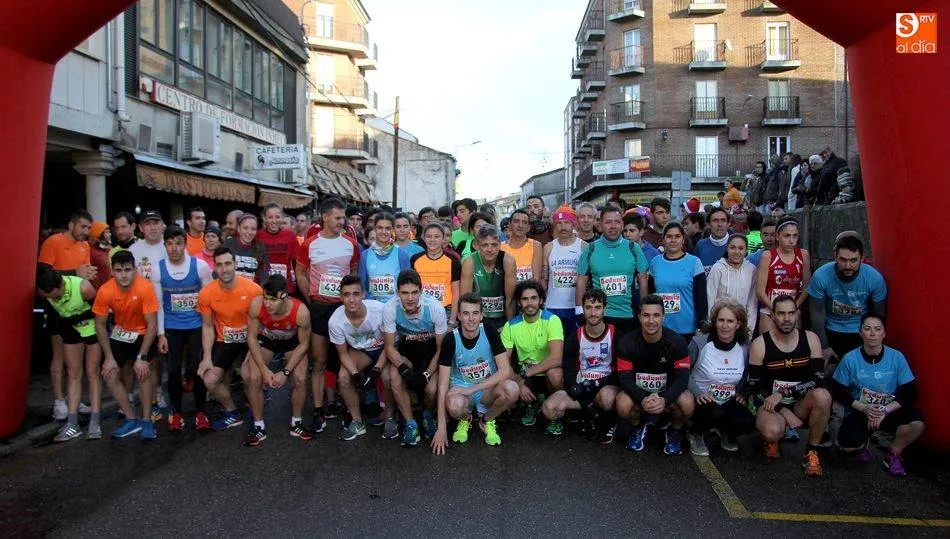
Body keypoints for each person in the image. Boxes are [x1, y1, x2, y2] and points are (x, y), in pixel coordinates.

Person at [743, 295, 831, 477]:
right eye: (781, 314)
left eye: (791, 313)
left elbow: (818, 379)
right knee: (771, 431)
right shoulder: (760, 344)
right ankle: (773, 438)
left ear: (798, 314)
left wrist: (784, 394)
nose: (787, 318)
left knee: (823, 396)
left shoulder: (811, 339)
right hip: (770, 404)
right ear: (772, 316)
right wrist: (783, 410)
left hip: (800, 403)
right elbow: (753, 388)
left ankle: (812, 452)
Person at [829, 313, 924, 476]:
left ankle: (893, 455)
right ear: (861, 334)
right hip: (860, 410)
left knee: (917, 423)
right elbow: (837, 390)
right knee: (848, 447)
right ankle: (862, 443)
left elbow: (910, 392)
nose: (872, 334)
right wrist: (864, 408)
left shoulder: (896, 357)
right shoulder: (850, 359)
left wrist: (884, 410)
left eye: (877, 329)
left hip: (888, 410)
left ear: (884, 334)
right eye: (867, 329)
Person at [296, 197, 360, 435]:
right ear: (324, 217)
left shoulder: (351, 244)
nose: (342, 222)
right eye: (337, 217)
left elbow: (353, 272)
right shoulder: (309, 244)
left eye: (343, 217)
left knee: (343, 360)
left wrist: (349, 297)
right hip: (320, 307)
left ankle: (344, 404)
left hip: (343, 309)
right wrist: (308, 296)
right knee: (320, 361)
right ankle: (319, 409)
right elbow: (300, 270)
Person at [431, 294, 519, 454]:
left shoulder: (490, 331)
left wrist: (471, 389)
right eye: (466, 313)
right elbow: (442, 384)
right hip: (462, 392)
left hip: (486, 391)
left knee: (512, 388)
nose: (471, 318)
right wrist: (441, 428)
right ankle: (466, 419)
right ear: (458, 316)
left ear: (482, 315)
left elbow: (505, 370)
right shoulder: (450, 340)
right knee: (454, 405)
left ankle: (487, 420)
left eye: (475, 313)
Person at [91, 250, 160, 440]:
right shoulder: (105, 290)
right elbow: (99, 324)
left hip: (144, 334)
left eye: (128, 270)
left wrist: (142, 357)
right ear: (112, 271)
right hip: (121, 333)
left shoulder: (145, 287)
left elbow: (152, 324)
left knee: (143, 372)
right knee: (110, 374)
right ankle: (131, 418)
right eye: (119, 270)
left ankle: (147, 421)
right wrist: (109, 358)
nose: (123, 275)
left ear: (135, 270)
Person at [151, 225, 213, 433]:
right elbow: (158, 305)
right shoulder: (157, 269)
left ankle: (201, 412)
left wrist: (209, 329)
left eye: (178, 243)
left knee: (198, 369)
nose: (174, 248)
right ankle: (176, 413)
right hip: (172, 327)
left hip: (196, 325)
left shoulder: (201, 267)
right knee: (174, 371)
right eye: (169, 244)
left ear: (185, 245)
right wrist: (160, 334)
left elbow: (209, 299)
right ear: (165, 245)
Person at [615, 294, 694, 455]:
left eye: (656, 315)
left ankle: (674, 430)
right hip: (640, 395)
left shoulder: (677, 342)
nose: (651, 321)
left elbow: (682, 379)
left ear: (663, 317)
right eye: (646, 315)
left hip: (666, 395)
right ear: (639, 316)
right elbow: (625, 379)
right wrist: (642, 399)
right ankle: (637, 427)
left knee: (687, 402)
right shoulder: (627, 342)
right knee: (622, 403)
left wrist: (665, 399)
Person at [197, 246, 263, 432]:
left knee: (250, 375)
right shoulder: (206, 293)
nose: (224, 269)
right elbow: (208, 326)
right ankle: (232, 412)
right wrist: (207, 357)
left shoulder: (253, 290)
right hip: (225, 339)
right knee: (209, 379)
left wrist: (252, 353)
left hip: (250, 338)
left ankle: (255, 410)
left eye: (227, 263)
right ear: (214, 268)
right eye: (219, 265)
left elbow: (260, 324)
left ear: (235, 264)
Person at [38, 209, 96, 421]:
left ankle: (75, 398)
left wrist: (88, 275)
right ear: (71, 225)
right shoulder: (53, 242)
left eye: (89, 228)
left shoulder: (84, 245)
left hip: (78, 305)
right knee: (59, 353)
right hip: (56, 305)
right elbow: (42, 276)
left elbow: (84, 273)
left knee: (76, 357)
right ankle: (59, 401)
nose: (86, 231)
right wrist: (74, 273)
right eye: (83, 226)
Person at [543, 290, 621, 444]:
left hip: (606, 386)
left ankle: (609, 421)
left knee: (606, 398)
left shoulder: (616, 334)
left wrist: (597, 383)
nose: (593, 313)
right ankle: (587, 413)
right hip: (583, 387)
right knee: (549, 408)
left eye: (597, 307)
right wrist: (573, 385)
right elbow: (569, 365)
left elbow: (621, 370)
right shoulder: (575, 336)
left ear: (605, 309)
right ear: (583, 309)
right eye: (588, 307)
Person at [382, 270, 448, 447]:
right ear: (398, 293)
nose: (410, 298)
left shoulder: (434, 308)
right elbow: (389, 347)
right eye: (404, 293)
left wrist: (427, 374)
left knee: (432, 389)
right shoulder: (390, 308)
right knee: (394, 377)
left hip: (431, 353)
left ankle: (427, 415)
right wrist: (404, 371)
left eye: (414, 292)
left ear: (421, 291)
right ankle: (411, 424)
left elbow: (441, 349)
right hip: (407, 353)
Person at [244, 274, 312, 446]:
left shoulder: (301, 311)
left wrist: (285, 372)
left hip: (291, 342)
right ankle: (258, 426)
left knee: (300, 378)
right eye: (266, 298)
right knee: (254, 377)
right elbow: (251, 338)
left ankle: (296, 422)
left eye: (273, 300)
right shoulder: (256, 305)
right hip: (266, 340)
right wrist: (264, 369)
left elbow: (304, 345)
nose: (268, 304)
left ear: (284, 297)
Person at [36, 265, 102, 442]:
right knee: (73, 374)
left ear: (61, 286)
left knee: (92, 373)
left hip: (91, 329)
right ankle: (72, 424)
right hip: (69, 330)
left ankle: (95, 422)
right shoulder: (44, 291)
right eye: (49, 297)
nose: (53, 299)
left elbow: (100, 312)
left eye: (56, 296)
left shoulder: (83, 287)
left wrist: (75, 318)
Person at [687, 300, 755, 456]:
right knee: (714, 413)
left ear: (738, 324)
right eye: (721, 320)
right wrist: (697, 393)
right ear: (715, 322)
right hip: (701, 400)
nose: (725, 325)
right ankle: (694, 433)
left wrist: (741, 394)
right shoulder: (699, 344)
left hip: (727, 399)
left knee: (749, 421)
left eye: (730, 321)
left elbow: (745, 375)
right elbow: (683, 374)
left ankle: (725, 431)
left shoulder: (745, 347)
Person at [808, 235, 887, 365]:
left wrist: (873, 343)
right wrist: (824, 346)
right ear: (835, 258)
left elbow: (879, 315)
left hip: (861, 331)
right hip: (831, 330)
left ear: (862, 259)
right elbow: (816, 314)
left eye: (853, 260)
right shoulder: (821, 276)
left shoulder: (874, 278)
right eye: (843, 260)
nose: (848, 265)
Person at [329, 275, 391, 440]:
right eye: (346, 295)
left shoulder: (379, 310)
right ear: (341, 297)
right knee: (344, 377)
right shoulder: (335, 321)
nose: (351, 299)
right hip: (363, 351)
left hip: (385, 348)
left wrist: (376, 371)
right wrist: (356, 375)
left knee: (387, 376)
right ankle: (357, 421)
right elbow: (342, 353)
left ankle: (391, 417)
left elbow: (390, 346)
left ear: (363, 294)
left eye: (355, 294)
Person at [502, 281, 565, 434]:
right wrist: (519, 384)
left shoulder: (552, 320)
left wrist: (523, 376)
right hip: (526, 378)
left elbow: (556, 358)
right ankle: (532, 404)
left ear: (541, 300)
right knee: (506, 379)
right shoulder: (510, 326)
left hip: (545, 374)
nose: (529, 303)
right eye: (525, 299)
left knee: (555, 374)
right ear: (519, 302)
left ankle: (558, 414)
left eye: (533, 298)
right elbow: (504, 363)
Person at [576, 206, 649, 336]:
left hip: (628, 316)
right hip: (599, 317)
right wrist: (580, 312)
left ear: (622, 224)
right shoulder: (590, 249)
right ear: (600, 225)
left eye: (617, 222)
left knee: (624, 355)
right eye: (608, 222)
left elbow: (643, 282)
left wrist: (644, 310)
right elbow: (581, 283)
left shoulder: (634, 248)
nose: (613, 226)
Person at [649, 223, 707, 341]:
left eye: (677, 236)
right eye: (669, 236)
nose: (673, 240)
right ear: (663, 239)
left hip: (687, 328)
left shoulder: (694, 262)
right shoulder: (655, 262)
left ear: (683, 239)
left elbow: (701, 297)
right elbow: (651, 295)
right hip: (660, 328)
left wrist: (701, 325)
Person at [756, 217, 811, 334]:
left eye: (795, 236)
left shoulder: (803, 255)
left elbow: (807, 288)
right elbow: (760, 292)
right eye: (786, 236)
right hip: (769, 311)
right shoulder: (768, 256)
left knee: (795, 348)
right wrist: (776, 310)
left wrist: (793, 308)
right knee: (768, 348)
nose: (791, 241)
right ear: (777, 236)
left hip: (792, 311)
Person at [459, 225, 517, 334]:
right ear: (477, 245)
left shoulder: (508, 261)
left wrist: (509, 327)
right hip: (478, 318)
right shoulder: (469, 262)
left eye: (494, 245)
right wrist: (469, 327)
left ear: (500, 245)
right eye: (485, 245)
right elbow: (464, 299)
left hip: (502, 316)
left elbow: (511, 299)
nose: (490, 249)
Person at [541, 206, 586, 337]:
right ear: (554, 226)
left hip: (575, 306)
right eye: (559, 223)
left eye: (567, 223)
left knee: (575, 343)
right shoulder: (549, 247)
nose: (563, 227)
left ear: (574, 224)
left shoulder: (583, 246)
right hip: (553, 305)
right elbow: (545, 277)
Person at [410, 223, 461, 325]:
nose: (432, 240)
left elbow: (456, 293)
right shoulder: (415, 259)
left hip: (445, 310)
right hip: (421, 309)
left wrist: (452, 320)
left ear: (443, 239)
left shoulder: (453, 260)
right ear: (423, 238)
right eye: (428, 236)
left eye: (437, 236)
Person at [706, 234, 757, 334]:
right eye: (732, 247)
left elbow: (752, 303)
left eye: (741, 248)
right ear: (727, 248)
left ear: (746, 250)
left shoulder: (751, 270)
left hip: (742, 326)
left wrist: (749, 329)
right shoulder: (717, 269)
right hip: (721, 325)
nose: (736, 252)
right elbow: (710, 299)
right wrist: (712, 325)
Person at [358, 212, 412, 304]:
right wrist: (371, 303)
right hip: (372, 306)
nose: (384, 232)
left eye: (388, 228)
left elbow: (408, 285)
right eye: (380, 228)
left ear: (393, 230)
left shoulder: (401, 254)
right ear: (374, 228)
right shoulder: (365, 255)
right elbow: (361, 285)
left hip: (396, 306)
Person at [257, 203, 299, 294]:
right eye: (270, 217)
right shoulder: (258, 235)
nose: (274, 221)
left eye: (277, 217)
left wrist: (298, 285)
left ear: (282, 218)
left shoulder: (290, 236)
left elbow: (296, 263)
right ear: (264, 218)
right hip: (263, 286)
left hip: (285, 286)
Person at [224, 213, 270, 283]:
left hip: (252, 291)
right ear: (239, 228)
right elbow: (218, 269)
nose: (249, 232)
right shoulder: (228, 244)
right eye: (245, 228)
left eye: (253, 229)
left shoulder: (260, 247)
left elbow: (265, 272)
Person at [501, 209, 542, 283]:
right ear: (509, 226)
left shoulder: (536, 245)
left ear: (528, 228)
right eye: (516, 221)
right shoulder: (501, 247)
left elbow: (536, 278)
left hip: (528, 291)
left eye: (524, 222)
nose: (520, 225)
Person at [128, 210, 167, 281]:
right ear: (141, 228)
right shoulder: (133, 250)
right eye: (147, 224)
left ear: (162, 225)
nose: (152, 228)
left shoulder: (173, 246)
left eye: (156, 223)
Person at [694, 208, 731, 273]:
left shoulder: (737, 245)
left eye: (723, 220)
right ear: (708, 225)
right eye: (715, 221)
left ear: (728, 224)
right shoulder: (700, 246)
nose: (719, 224)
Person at [88, 221, 111, 289]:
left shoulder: (106, 250)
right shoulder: (90, 252)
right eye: (107, 232)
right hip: (97, 293)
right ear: (98, 235)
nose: (110, 234)